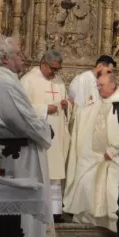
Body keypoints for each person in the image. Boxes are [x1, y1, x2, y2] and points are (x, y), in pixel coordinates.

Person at [0, 35, 56, 237]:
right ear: (4, 58)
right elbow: (24, 121)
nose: (23, 57)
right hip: (18, 159)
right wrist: (47, 130)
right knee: (21, 218)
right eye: (19, 53)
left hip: (12, 155)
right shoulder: (4, 84)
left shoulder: (1, 81)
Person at [63, 66, 119, 231]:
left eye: (101, 86)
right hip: (101, 157)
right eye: (98, 86)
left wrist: (112, 150)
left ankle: (118, 228)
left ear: (113, 85)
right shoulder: (104, 101)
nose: (98, 89)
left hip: (116, 158)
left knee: (114, 193)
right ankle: (103, 222)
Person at [20, 49, 73, 220]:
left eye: (58, 69)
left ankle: (55, 210)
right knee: (41, 171)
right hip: (39, 134)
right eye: (52, 68)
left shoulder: (58, 81)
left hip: (57, 133)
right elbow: (21, 108)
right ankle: (38, 209)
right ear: (43, 63)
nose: (55, 73)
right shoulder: (28, 80)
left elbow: (65, 103)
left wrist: (66, 105)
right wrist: (44, 109)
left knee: (55, 172)